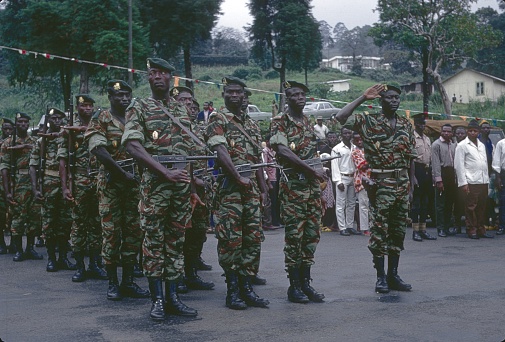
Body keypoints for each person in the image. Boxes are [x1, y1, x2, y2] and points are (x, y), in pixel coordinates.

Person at [122, 58, 200, 321]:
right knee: (154, 242)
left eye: (163, 73)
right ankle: (156, 300)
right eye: (153, 73)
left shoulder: (180, 110)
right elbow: (132, 146)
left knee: (176, 241)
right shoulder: (139, 107)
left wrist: (191, 186)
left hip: (180, 186)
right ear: (148, 77)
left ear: (171, 78)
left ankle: (173, 297)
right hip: (155, 186)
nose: (157, 77)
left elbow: (190, 151)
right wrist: (164, 172)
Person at [336, 84, 416, 294]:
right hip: (380, 184)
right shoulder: (368, 120)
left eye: (397, 97)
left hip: (401, 183)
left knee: (398, 231)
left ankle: (393, 275)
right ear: (381, 100)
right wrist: (363, 97)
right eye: (389, 97)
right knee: (380, 232)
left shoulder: (406, 124)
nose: (394, 101)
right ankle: (380, 277)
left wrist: (411, 183)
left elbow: (410, 157)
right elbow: (341, 117)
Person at [205, 76, 269, 310]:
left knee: (252, 239)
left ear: (244, 95)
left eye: (238, 92)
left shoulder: (251, 124)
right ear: (224, 95)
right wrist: (238, 177)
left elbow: (256, 160)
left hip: (250, 187)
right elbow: (220, 150)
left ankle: (247, 287)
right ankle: (233, 291)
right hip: (228, 189)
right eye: (229, 92)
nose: (234, 95)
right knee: (231, 240)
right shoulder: (217, 119)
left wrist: (263, 188)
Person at [84, 80, 149, 301]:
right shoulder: (100, 118)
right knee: (111, 233)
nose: (123, 99)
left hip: (134, 184)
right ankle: (113, 284)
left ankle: (128, 281)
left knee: (133, 232)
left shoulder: (135, 118)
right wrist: (123, 174)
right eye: (118, 95)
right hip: (112, 183)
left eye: (127, 95)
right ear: (110, 97)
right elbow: (99, 150)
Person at [270, 80, 326, 304]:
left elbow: (312, 152)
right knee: (295, 236)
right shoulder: (279, 122)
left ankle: (306, 283)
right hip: (293, 187)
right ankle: (294, 286)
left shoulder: (307, 121)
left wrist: (317, 168)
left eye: (302, 94)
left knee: (311, 235)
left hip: (311, 187)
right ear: (287, 98)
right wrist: (310, 169)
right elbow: (282, 150)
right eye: (294, 95)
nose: (299, 98)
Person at [170, 85, 215, 292]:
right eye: (182, 100)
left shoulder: (197, 128)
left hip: (202, 189)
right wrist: (191, 180)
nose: (188, 104)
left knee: (198, 232)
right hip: (178, 190)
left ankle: (191, 272)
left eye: (189, 100)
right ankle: (176, 276)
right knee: (178, 234)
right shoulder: (169, 126)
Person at [58, 94, 106, 282]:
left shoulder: (99, 126)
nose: (87, 109)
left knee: (97, 223)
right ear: (77, 109)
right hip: (78, 180)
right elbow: (62, 161)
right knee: (79, 224)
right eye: (83, 106)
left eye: (90, 106)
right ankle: (80, 266)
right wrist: (64, 187)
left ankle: (95, 264)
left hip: (98, 179)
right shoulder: (69, 132)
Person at [29, 108, 75, 272]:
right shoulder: (41, 141)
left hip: (65, 183)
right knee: (49, 223)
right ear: (48, 120)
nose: (56, 121)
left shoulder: (68, 137)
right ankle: (51, 258)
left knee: (65, 221)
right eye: (53, 118)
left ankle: (63, 257)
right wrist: (35, 189)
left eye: (59, 119)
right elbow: (33, 166)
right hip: (48, 183)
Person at [0, 113, 41, 262]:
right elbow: (4, 168)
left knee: (34, 217)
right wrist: (7, 191)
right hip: (17, 183)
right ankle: (18, 249)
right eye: (20, 122)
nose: (23, 124)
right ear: (16, 124)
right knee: (17, 217)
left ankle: (30, 248)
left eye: (25, 122)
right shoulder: (8, 143)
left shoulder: (36, 141)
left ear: (29, 124)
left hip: (34, 182)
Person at [454, 119, 493, 239]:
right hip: (470, 181)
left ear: (478, 132)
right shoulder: (462, 146)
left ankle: (481, 229)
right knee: (471, 207)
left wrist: (487, 179)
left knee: (482, 206)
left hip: (483, 180)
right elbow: (459, 166)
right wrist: (463, 183)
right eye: (470, 131)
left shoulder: (481, 145)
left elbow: (484, 163)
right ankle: (471, 229)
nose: (472, 133)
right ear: (467, 132)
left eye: (475, 131)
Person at [411, 113, 437, 240]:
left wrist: (432, 175)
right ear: (415, 124)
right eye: (420, 124)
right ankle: (415, 231)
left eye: (423, 124)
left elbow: (430, 158)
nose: (422, 126)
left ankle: (423, 229)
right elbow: (410, 160)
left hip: (427, 171)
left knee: (425, 202)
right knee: (416, 203)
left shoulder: (427, 139)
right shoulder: (412, 138)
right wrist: (413, 177)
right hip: (416, 170)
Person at [431, 124, 458, 237]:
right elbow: (435, 163)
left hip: (452, 175)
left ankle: (447, 227)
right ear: (441, 132)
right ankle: (440, 228)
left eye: (449, 131)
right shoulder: (436, 145)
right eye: (444, 131)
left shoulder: (454, 144)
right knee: (440, 204)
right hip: (442, 173)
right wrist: (438, 180)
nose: (446, 133)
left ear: (452, 133)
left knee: (449, 203)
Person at [331, 127, 359, 236]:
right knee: (340, 204)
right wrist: (338, 181)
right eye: (345, 133)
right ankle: (342, 227)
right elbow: (334, 166)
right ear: (341, 135)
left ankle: (350, 226)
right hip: (342, 177)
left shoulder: (355, 148)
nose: (347, 135)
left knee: (351, 203)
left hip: (353, 177)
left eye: (349, 132)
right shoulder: (337, 149)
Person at [351, 132, 370, 236]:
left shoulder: (367, 149)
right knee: (363, 205)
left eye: (360, 139)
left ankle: (370, 226)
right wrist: (372, 159)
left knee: (370, 205)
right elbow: (362, 166)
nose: (359, 142)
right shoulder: (355, 152)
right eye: (356, 140)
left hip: (372, 179)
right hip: (361, 181)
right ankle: (365, 228)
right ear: (353, 141)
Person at [478, 120, 496, 229]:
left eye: (487, 128)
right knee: (479, 200)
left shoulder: (490, 142)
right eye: (484, 128)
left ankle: (486, 221)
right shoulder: (477, 141)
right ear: (480, 130)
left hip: (489, 175)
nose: (486, 130)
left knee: (488, 199)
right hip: (478, 176)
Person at [0, 118, 14, 254]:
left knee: (14, 213)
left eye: (10, 129)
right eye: (5, 129)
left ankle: (15, 243)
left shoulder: (13, 143)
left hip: (14, 182)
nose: (8, 131)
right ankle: (1, 243)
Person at [453, 126, 467, 233]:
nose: (460, 135)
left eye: (462, 133)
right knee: (456, 203)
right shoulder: (452, 146)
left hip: (467, 179)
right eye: (458, 133)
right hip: (454, 179)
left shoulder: (468, 146)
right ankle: (456, 225)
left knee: (467, 203)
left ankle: (469, 225)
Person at [493, 137, 505, 235]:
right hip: (503, 174)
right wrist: (498, 177)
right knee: (503, 201)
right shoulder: (501, 143)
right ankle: (502, 226)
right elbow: (496, 162)